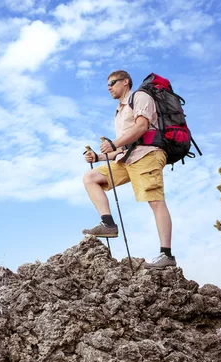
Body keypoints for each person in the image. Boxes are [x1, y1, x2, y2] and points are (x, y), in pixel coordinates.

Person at [82, 70, 176, 268]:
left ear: (126, 82)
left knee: (155, 201)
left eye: (113, 82)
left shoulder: (140, 97)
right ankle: (108, 224)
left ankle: (166, 255)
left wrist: (113, 143)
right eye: (107, 84)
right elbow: (123, 147)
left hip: (147, 154)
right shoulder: (119, 111)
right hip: (127, 158)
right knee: (91, 178)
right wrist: (98, 157)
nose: (109, 87)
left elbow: (141, 127)